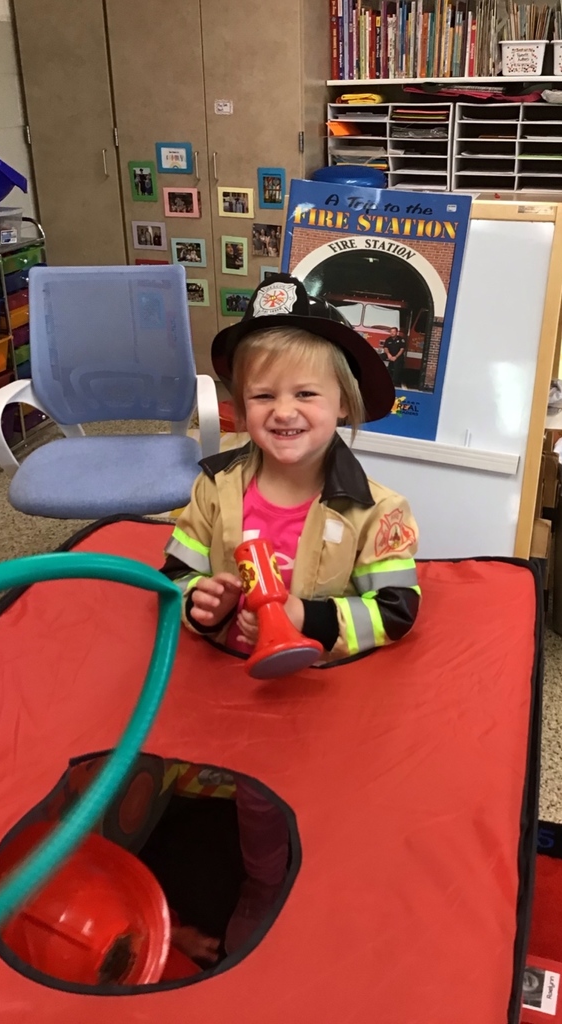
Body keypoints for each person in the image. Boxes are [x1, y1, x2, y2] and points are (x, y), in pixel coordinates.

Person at [161, 274, 420, 954]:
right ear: (239, 405)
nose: (284, 411)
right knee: (233, 787)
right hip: (227, 687)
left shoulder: (377, 510)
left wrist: (308, 620)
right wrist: (203, 605)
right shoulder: (214, 485)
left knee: (302, 798)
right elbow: (176, 573)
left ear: (343, 405)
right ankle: (240, 882)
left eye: (306, 394)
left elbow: (395, 611)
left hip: (322, 694)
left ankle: (298, 886)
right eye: (263, 395)